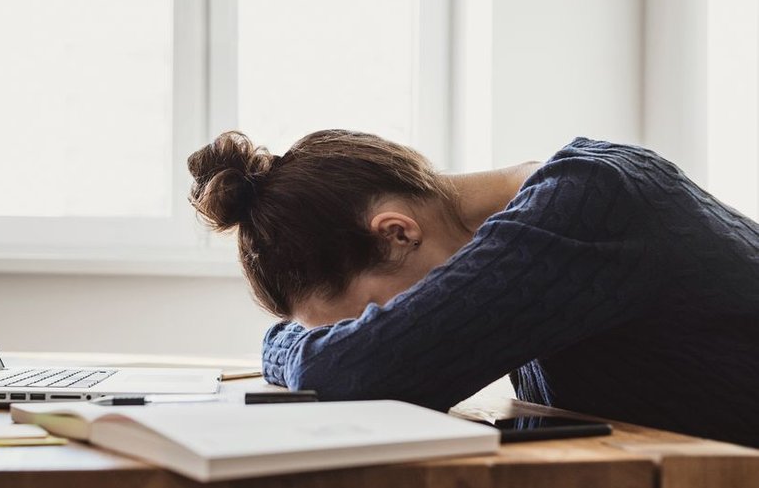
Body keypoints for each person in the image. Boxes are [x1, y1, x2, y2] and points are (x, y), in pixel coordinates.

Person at [187, 130, 759, 447]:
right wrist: (297, 340)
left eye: (370, 317)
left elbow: (355, 370)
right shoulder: (554, 218)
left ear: (396, 234)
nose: (378, 330)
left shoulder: (590, 204)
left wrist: (292, 346)